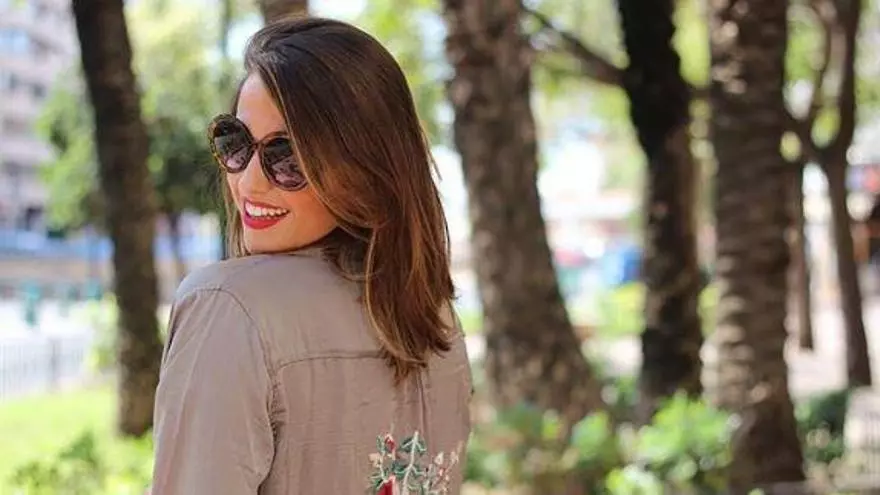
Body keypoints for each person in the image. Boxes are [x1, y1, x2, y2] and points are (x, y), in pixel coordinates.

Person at [150, 16, 472, 495]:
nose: (248, 182)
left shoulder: (229, 308)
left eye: (288, 156)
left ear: (363, 168)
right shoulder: (434, 316)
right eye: (235, 143)